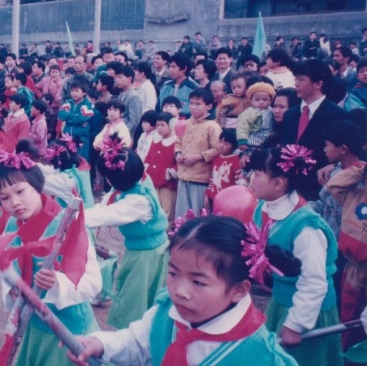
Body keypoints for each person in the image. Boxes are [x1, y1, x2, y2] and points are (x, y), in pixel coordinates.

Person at [69, 215, 300, 366]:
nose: (179, 291)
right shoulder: (167, 312)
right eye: (173, 273)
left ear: (238, 290)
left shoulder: (261, 358)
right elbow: (138, 343)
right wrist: (102, 344)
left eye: (198, 282)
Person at [0, 151, 101, 366]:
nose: (15, 202)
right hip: (37, 326)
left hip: (69, 334)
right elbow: (8, 270)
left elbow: (94, 282)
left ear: (37, 185)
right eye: (5, 197)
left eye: (20, 191)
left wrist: (58, 283)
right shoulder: (14, 226)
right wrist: (14, 291)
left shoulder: (68, 225)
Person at [248, 146, 342, 365]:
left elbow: (314, 283)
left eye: (258, 173)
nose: (251, 178)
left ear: (278, 183)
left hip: (309, 311)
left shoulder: (306, 227)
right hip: (281, 300)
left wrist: (295, 325)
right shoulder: (263, 207)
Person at [85, 143, 169, 329]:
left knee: (136, 299)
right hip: (140, 250)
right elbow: (105, 206)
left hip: (148, 255)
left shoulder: (138, 201)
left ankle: (136, 340)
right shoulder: (138, 180)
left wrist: (71, 217)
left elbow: (106, 215)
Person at [282, 60, 347, 201]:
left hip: (319, 189)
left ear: (318, 84)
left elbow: (347, 152)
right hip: (289, 189)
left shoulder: (336, 115)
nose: (296, 84)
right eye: (295, 79)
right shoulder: (290, 114)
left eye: (301, 79)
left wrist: (334, 166)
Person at [326, 140, 367, 350]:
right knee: (348, 318)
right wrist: (360, 171)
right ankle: (344, 356)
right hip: (353, 270)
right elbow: (333, 185)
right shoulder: (355, 195)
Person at [174, 89, 221, 217]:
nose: (193, 107)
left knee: (198, 214)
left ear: (209, 106)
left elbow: (218, 149)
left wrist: (199, 157)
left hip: (200, 179)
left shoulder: (212, 126)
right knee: (182, 215)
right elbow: (178, 142)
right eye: (191, 103)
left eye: (198, 104)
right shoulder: (184, 123)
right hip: (183, 176)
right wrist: (178, 153)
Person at [144, 112, 178, 225]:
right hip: (153, 179)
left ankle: (166, 231)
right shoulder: (155, 140)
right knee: (154, 205)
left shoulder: (176, 142)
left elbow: (178, 163)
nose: (159, 128)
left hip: (168, 183)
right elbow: (148, 157)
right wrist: (146, 169)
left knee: (167, 209)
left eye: (163, 125)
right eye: (157, 125)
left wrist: (171, 173)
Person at [204, 129, 241, 209]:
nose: (221, 145)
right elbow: (212, 179)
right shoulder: (216, 159)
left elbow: (238, 184)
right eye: (220, 141)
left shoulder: (236, 161)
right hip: (212, 198)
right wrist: (207, 194)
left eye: (226, 143)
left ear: (234, 146)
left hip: (226, 201)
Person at [236, 82, 276, 157]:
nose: (261, 102)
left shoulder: (271, 110)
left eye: (265, 100)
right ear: (251, 100)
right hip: (252, 142)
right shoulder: (249, 112)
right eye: (257, 100)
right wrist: (242, 140)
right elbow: (242, 126)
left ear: (270, 101)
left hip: (267, 140)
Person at [58, 80, 94, 161]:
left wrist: (69, 117)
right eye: (72, 91)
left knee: (81, 162)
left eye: (76, 91)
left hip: (81, 139)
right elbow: (61, 115)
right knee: (68, 161)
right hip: (67, 138)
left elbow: (81, 119)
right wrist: (75, 115)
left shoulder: (87, 104)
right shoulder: (68, 102)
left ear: (84, 93)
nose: (73, 93)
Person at [158, 52, 198, 117]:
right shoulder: (165, 86)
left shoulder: (194, 89)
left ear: (184, 68)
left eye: (173, 67)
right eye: (169, 66)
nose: (170, 70)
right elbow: (158, 109)